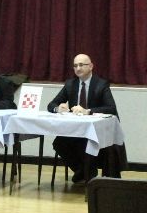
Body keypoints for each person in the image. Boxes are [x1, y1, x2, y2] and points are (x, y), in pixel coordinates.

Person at [46, 53, 118, 183]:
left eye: (81, 65)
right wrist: (58, 108)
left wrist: (88, 111)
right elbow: (51, 105)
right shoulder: (70, 84)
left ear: (91, 66)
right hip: (75, 130)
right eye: (75, 66)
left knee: (85, 143)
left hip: (96, 131)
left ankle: (86, 173)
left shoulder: (101, 84)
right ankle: (82, 171)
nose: (78, 68)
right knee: (59, 143)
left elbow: (111, 108)